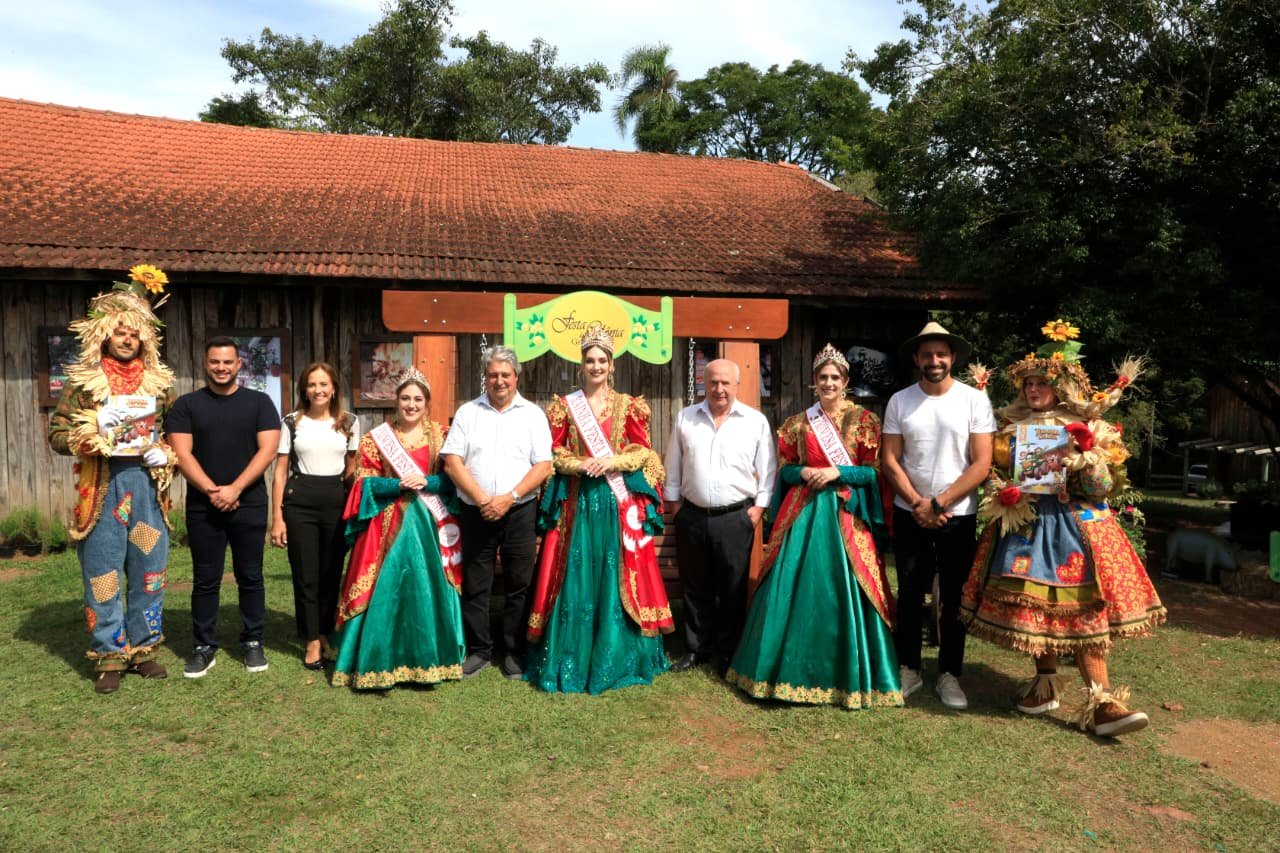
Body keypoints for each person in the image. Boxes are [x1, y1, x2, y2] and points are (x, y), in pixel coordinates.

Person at [960, 320, 1165, 736]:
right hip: (1028, 527)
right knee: (1038, 611)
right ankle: (1045, 684)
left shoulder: (1089, 426)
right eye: (1028, 383)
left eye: (1041, 383)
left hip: (1077, 529)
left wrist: (1086, 459)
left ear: (1061, 386)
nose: (1032, 390)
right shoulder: (1008, 427)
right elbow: (995, 473)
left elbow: (1106, 486)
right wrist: (1004, 492)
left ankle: (1103, 700)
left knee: (1084, 609)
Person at [727, 344, 903, 708]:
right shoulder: (797, 424)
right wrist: (803, 471)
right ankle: (781, 672)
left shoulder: (866, 421)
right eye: (822, 377)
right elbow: (786, 468)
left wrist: (839, 471)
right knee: (792, 587)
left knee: (844, 589)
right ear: (813, 382)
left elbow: (874, 471)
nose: (828, 383)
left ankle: (850, 674)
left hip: (845, 516)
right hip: (804, 514)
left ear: (846, 381)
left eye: (834, 377)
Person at [48, 265, 178, 694]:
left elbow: (175, 433)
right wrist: (83, 440)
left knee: (148, 570)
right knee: (103, 572)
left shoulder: (159, 385)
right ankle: (109, 654)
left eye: (134, 334)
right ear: (105, 334)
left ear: (144, 338)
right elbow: (57, 433)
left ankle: (143, 650)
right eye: (120, 332)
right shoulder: (84, 383)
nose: (127, 339)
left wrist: (167, 452)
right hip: (101, 489)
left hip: (145, 488)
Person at [525, 324, 673, 693]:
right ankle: (571, 656)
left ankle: (618, 654)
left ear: (611, 365)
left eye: (601, 360)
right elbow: (553, 452)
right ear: (582, 365)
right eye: (589, 360)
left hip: (614, 502)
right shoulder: (563, 407)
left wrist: (610, 462)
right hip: (577, 502)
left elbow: (643, 452)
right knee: (576, 573)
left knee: (615, 572)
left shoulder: (630, 406)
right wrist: (578, 464)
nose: (595, 366)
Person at [881, 321, 996, 710]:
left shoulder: (974, 401)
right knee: (911, 592)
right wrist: (918, 502)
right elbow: (890, 460)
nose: (934, 360)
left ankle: (950, 674)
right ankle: (909, 667)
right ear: (916, 358)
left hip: (957, 514)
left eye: (941, 354)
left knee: (952, 595)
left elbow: (982, 464)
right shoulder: (900, 400)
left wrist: (941, 503)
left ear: (953, 358)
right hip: (910, 512)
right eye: (927, 354)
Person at [329, 372, 467, 689]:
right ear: (396, 401)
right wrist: (397, 483)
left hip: (430, 525)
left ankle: (429, 660)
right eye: (405, 398)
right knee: (386, 587)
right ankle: (376, 660)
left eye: (418, 399)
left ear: (427, 403)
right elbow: (364, 482)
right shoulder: (376, 439)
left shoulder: (442, 436)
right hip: (386, 524)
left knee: (425, 584)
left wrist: (428, 481)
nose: (411, 404)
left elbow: (454, 480)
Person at [169, 337, 282, 677]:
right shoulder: (186, 406)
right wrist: (211, 489)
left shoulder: (260, 403)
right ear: (206, 364)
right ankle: (204, 646)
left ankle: (252, 641)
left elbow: (267, 452)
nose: (221, 368)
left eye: (228, 362)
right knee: (206, 578)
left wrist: (234, 489)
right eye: (215, 362)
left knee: (250, 576)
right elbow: (182, 453)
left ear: (239, 365)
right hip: (204, 507)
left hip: (248, 503)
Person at [441, 346, 553, 680]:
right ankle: (480, 651)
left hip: (519, 510)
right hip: (477, 512)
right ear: (485, 378)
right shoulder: (467, 413)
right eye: (493, 375)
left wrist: (510, 497)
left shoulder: (533, 414)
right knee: (477, 584)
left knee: (520, 584)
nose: (499, 381)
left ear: (516, 377)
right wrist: (481, 498)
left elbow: (544, 465)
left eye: (506, 374)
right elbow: (452, 461)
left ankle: (514, 652)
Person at [664, 358, 777, 674]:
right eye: (713, 382)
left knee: (732, 587)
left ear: (736, 385)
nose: (719, 389)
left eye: (726, 383)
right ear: (704, 383)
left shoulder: (754, 421)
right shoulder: (686, 418)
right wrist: (675, 508)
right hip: (692, 516)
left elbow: (768, 470)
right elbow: (673, 465)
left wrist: (758, 510)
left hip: (735, 518)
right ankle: (696, 649)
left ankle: (728, 651)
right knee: (695, 585)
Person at [270, 362, 359, 670]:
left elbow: (351, 471)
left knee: (331, 573)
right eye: (312, 384)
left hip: (336, 503)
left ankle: (324, 631)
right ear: (304, 389)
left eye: (324, 384)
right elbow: (280, 474)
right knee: (306, 575)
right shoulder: (292, 422)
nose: (318, 390)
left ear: (334, 388)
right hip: (300, 503)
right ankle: (310, 640)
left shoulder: (349, 422)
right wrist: (277, 519)